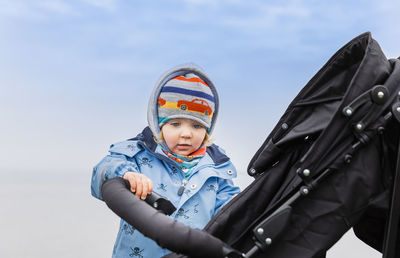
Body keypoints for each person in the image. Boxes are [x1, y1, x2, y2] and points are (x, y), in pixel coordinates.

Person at [91, 63, 240, 257]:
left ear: (207, 130)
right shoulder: (137, 155)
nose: (186, 134)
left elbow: (230, 211)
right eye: (175, 124)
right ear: (159, 126)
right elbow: (103, 170)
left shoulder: (217, 170)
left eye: (196, 126)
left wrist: (242, 204)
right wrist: (126, 174)